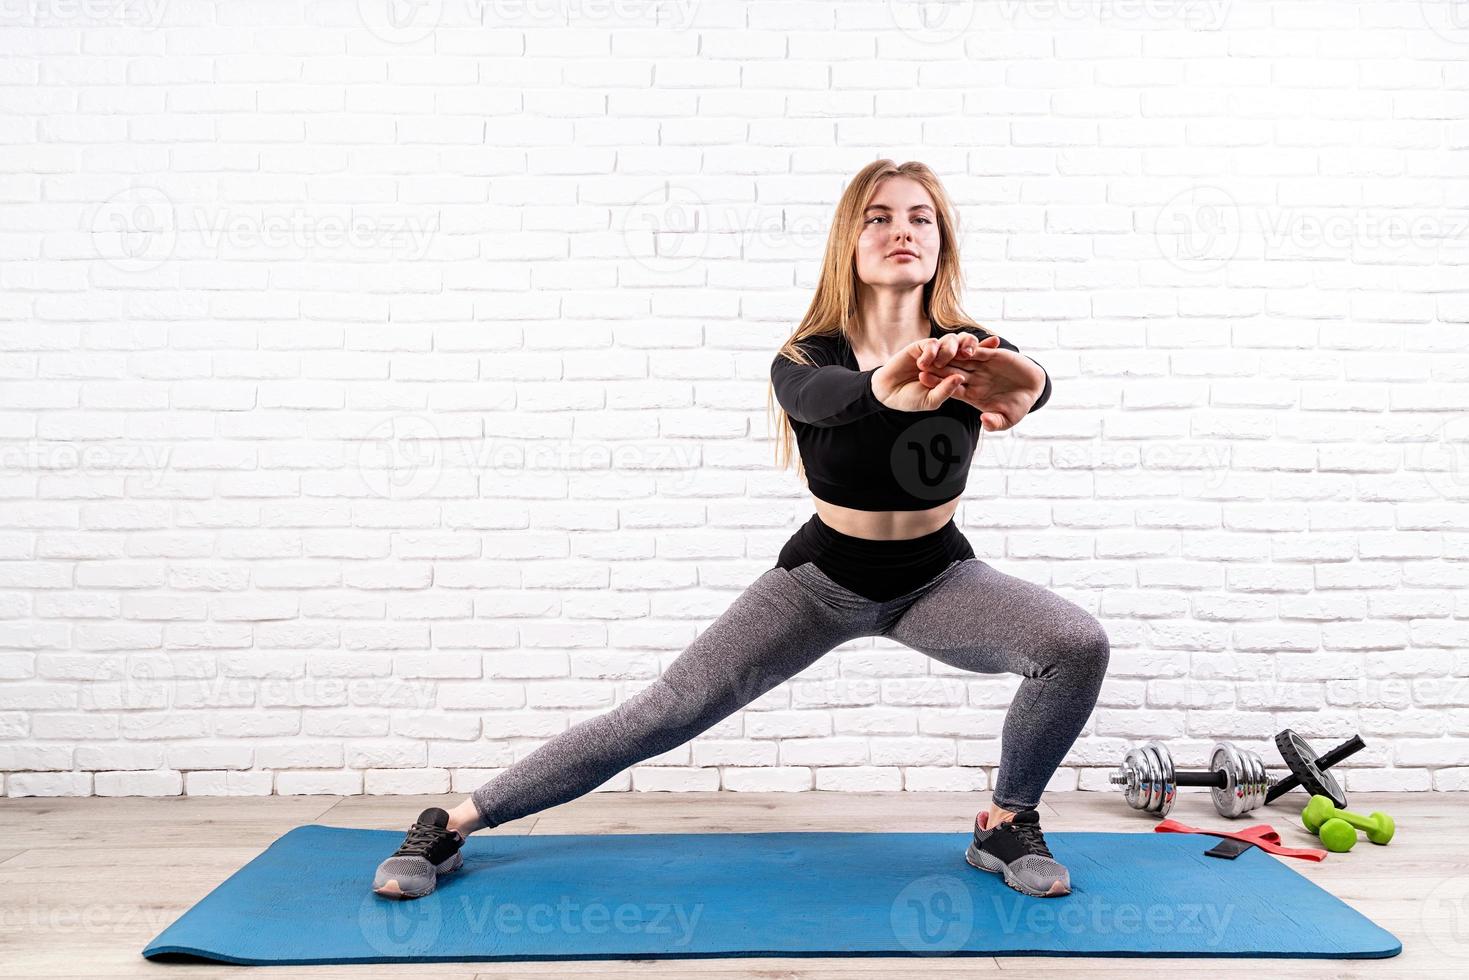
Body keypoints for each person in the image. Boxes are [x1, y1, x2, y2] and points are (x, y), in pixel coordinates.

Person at [370, 159, 1110, 902]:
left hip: (936, 579)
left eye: (920, 217)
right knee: (665, 712)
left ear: (940, 241)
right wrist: (884, 384)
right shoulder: (805, 357)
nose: (901, 231)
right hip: (819, 584)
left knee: (1074, 645)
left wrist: (1030, 384)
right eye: (878, 217)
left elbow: (1025, 379)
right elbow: (825, 398)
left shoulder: (967, 348)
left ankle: (1007, 822)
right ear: (846, 243)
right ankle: (452, 824)